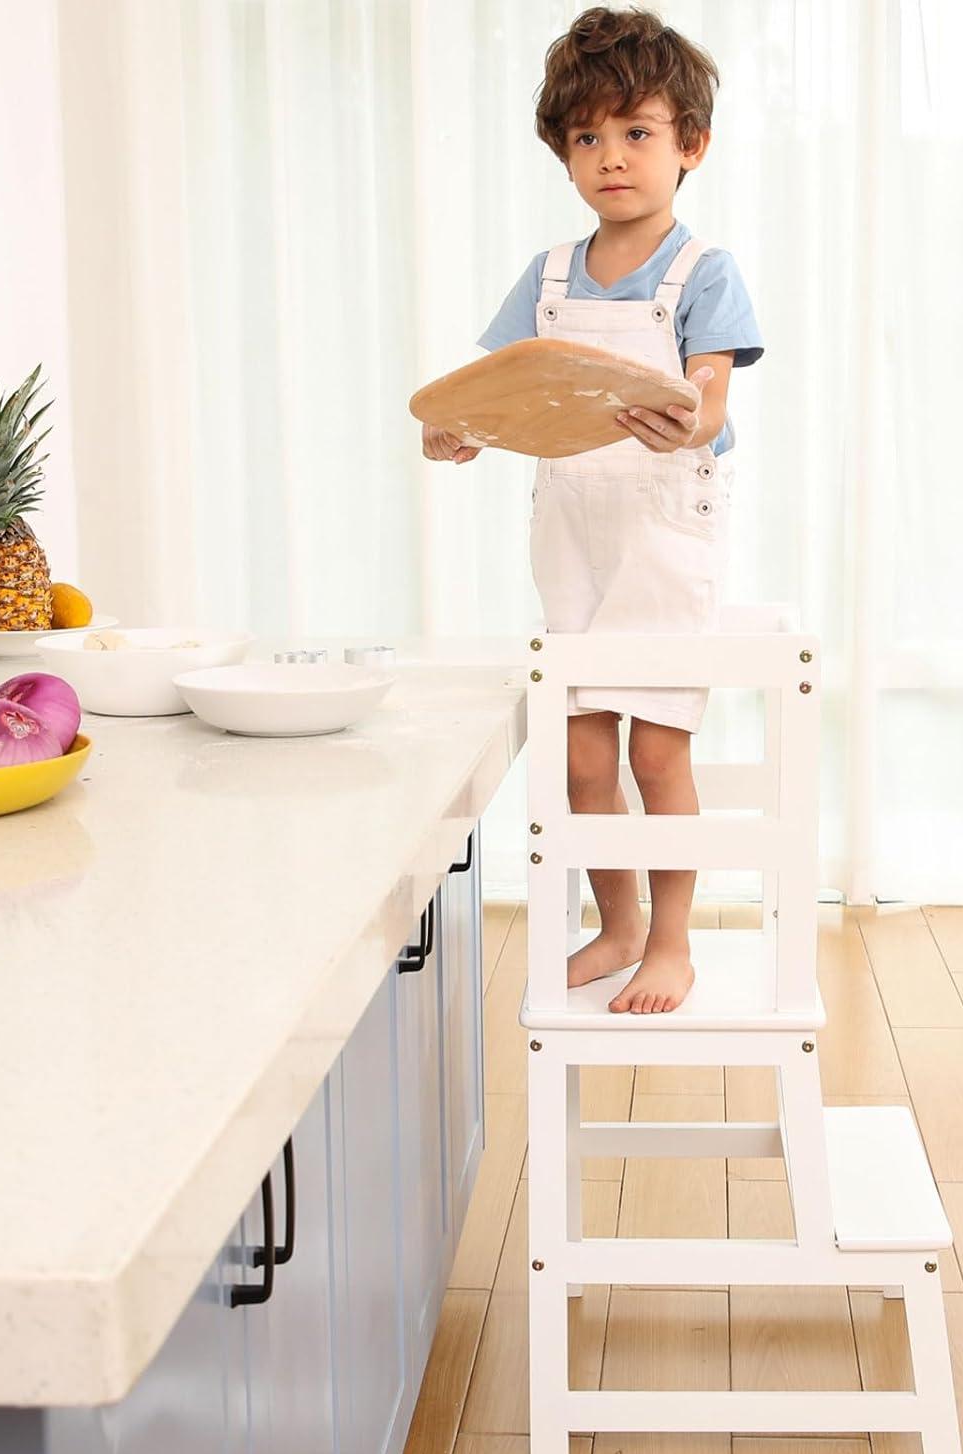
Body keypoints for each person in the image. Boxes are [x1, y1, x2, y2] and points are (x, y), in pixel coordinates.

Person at [421, 6, 762, 1014]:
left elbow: (709, 403)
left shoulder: (707, 273)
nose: (612, 157)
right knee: (581, 756)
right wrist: (454, 431)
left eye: (637, 132)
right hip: (572, 539)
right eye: (587, 137)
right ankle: (610, 924)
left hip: (662, 538)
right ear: (564, 150)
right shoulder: (552, 275)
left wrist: (686, 420)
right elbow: (495, 391)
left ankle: (670, 942)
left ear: (689, 144)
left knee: (656, 752)